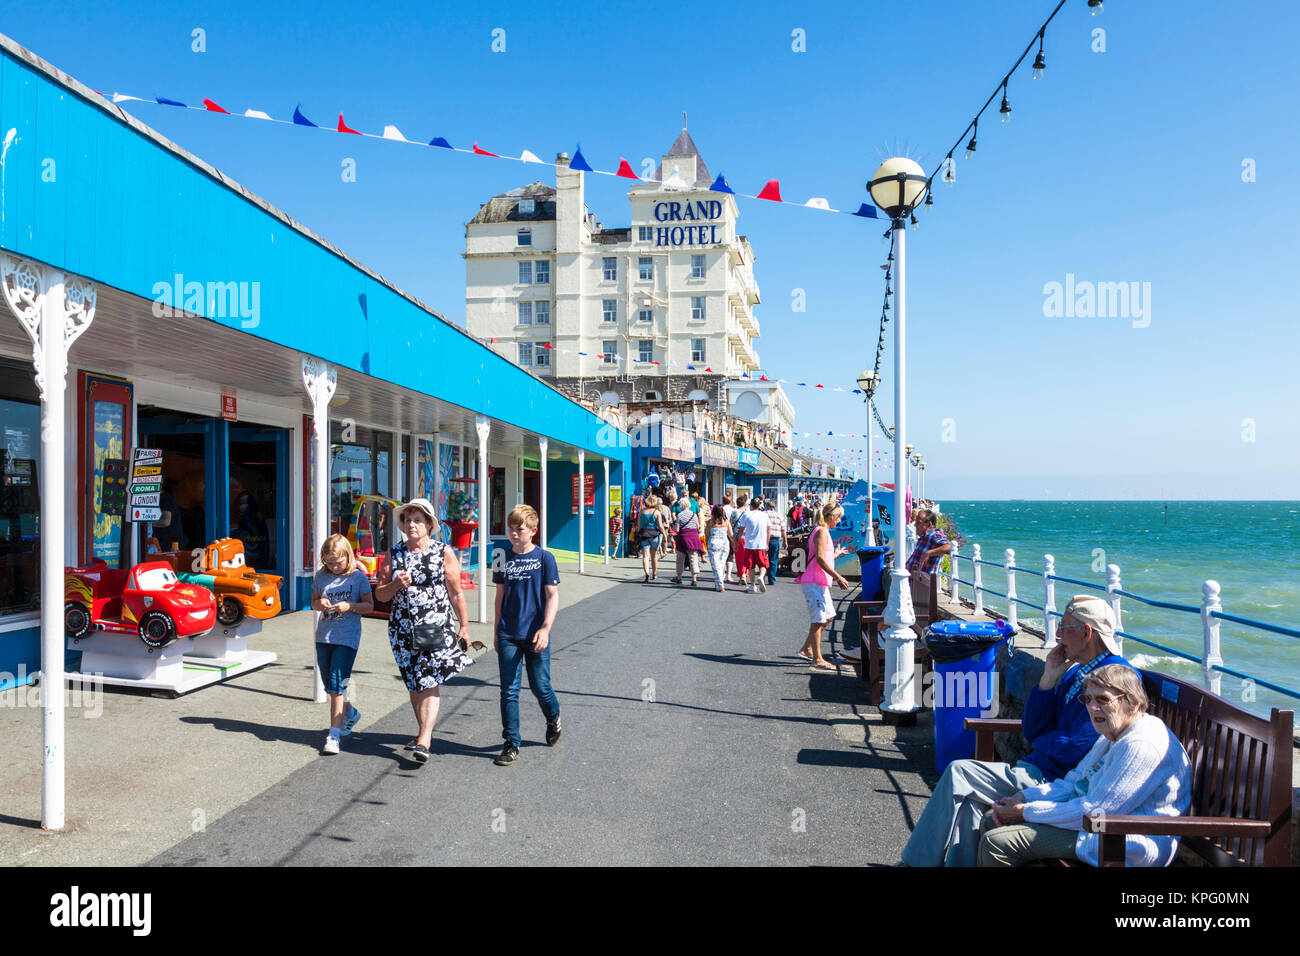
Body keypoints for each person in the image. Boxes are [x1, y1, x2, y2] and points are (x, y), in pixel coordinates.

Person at [899, 595, 1133, 866]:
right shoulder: (1072, 672)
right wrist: (1048, 679)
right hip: (1040, 769)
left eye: (1064, 627)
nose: (1057, 634)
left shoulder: (1113, 680)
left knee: (959, 772)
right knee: (971, 804)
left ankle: (914, 863)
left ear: (1086, 632)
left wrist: (1043, 740)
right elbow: (1033, 729)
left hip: (1056, 781)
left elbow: (1076, 749)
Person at [978, 664, 1191, 866]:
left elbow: (1096, 812)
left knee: (997, 843)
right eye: (1087, 699)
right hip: (1097, 828)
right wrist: (1024, 798)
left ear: (1133, 704)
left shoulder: (1141, 745)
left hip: (1126, 843)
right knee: (991, 818)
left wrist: (1024, 812)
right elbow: (1073, 783)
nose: (1092, 707)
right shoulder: (1111, 734)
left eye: (1103, 699)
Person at [374, 498, 474, 765]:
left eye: (418, 519)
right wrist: (395, 585)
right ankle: (423, 732)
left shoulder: (443, 552)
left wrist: (464, 626)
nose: (412, 524)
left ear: (429, 524)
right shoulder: (394, 554)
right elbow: (380, 595)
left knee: (428, 679)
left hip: (434, 625)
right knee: (414, 682)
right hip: (402, 629)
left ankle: (424, 739)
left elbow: (456, 592)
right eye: (408, 520)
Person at [491, 505, 561, 766]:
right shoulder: (501, 556)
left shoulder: (545, 558)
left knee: (539, 686)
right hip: (509, 632)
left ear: (533, 531)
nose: (513, 533)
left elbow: (552, 596)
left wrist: (545, 627)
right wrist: (497, 630)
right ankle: (511, 743)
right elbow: (499, 596)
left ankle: (553, 715)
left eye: (519, 529)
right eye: (510, 528)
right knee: (508, 691)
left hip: (535, 633)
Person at [311, 534, 374, 755]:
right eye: (329, 562)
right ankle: (351, 713)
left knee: (337, 686)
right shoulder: (321, 576)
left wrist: (350, 606)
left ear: (347, 556)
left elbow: (369, 605)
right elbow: (314, 602)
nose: (334, 567)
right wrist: (321, 603)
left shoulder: (358, 577)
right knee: (330, 685)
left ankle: (334, 736)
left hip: (347, 638)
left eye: (338, 562)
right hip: (324, 636)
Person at [794, 503, 851, 669]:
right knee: (819, 619)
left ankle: (806, 649)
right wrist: (838, 576)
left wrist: (836, 554)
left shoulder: (821, 531)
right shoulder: (821, 531)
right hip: (814, 582)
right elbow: (819, 558)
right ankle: (817, 658)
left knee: (828, 617)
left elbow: (821, 556)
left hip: (819, 581)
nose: (839, 521)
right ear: (831, 516)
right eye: (838, 517)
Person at [735, 497, 770, 594]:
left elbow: (741, 530)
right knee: (763, 565)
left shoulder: (746, 515)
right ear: (759, 506)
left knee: (751, 567)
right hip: (761, 544)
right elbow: (768, 530)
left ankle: (752, 585)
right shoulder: (765, 515)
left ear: (750, 505)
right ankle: (761, 577)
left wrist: (736, 542)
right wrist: (767, 543)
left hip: (749, 544)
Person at [906, 508, 951, 582]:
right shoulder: (924, 537)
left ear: (929, 524)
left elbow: (950, 546)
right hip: (915, 583)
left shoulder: (934, 535)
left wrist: (928, 553)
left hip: (922, 586)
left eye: (918, 522)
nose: (915, 525)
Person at [670, 497, 703, 586]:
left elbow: (677, 530)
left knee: (680, 559)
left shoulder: (679, 515)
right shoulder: (694, 515)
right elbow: (697, 527)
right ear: (688, 505)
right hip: (693, 538)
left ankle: (679, 578)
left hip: (683, 538)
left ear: (681, 506)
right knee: (693, 558)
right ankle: (694, 579)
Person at [637, 494, 669, 582]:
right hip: (655, 535)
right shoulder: (657, 512)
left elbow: (638, 526)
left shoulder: (641, 512)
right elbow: (661, 526)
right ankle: (654, 574)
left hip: (644, 535)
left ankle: (647, 574)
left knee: (645, 556)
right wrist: (665, 536)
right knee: (654, 556)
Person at [704, 504, 735, 592]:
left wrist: (706, 545)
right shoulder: (726, 522)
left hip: (713, 544)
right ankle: (719, 583)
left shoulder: (710, 522)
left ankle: (719, 584)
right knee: (721, 564)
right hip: (724, 544)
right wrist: (735, 544)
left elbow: (707, 536)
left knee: (715, 565)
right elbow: (731, 535)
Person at [764, 500, 787, 586]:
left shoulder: (764, 514)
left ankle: (762, 576)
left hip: (765, 539)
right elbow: (783, 529)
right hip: (775, 540)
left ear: (767, 506)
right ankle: (772, 578)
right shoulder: (779, 516)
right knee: (773, 559)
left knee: (763, 558)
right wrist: (785, 541)